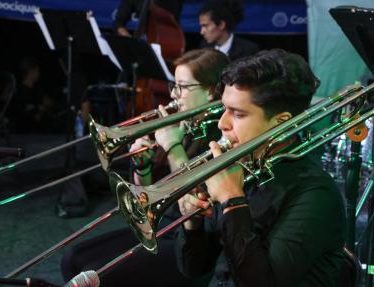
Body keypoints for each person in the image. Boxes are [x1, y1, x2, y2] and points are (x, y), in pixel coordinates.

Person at [175, 49, 347, 286]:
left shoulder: (316, 195)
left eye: (237, 114)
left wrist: (232, 200)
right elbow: (194, 269)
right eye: (224, 109)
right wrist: (191, 225)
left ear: (281, 122)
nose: (222, 123)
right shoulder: (241, 166)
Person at [60, 48, 229, 287]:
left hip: (192, 241)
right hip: (161, 227)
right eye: (174, 85)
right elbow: (148, 199)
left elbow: (192, 197)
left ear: (211, 91)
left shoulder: (221, 133)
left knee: (99, 276)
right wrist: (143, 167)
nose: (174, 95)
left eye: (183, 86)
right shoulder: (183, 124)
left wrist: (172, 147)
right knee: (72, 258)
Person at [114, 0, 184, 37]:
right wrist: (127, 37)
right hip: (142, 38)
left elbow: (173, 12)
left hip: (167, 37)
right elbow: (119, 22)